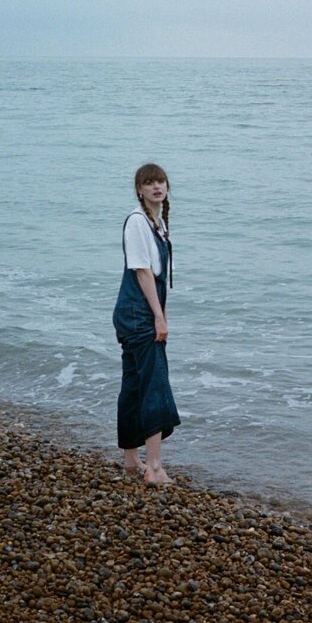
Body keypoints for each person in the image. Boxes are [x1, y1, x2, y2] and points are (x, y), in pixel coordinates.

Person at [112, 163, 180, 484]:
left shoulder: (157, 222)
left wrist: (159, 313)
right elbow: (142, 272)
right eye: (149, 183)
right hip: (138, 314)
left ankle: (131, 461)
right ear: (139, 189)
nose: (157, 187)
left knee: (134, 385)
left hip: (134, 313)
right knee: (154, 385)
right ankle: (154, 467)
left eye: (161, 181)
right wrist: (158, 316)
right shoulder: (137, 222)